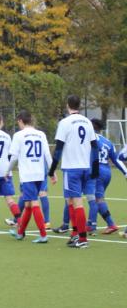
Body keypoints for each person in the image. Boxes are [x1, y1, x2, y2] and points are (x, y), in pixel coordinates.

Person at [48, 95, 99, 249]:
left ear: (67, 105)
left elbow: (58, 149)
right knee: (70, 201)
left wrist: (51, 170)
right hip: (85, 167)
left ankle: (83, 239)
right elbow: (95, 146)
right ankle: (75, 234)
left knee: (76, 202)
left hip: (71, 169)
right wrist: (95, 168)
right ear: (79, 105)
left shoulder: (64, 123)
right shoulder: (87, 122)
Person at [6, 110, 55, 243]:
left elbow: (14, 157)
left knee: (33, 202)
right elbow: (47, 155)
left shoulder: (19, 135)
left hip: (27, 174)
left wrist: (7, 171)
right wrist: (52, 172)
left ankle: (43, 235)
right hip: (40, 173)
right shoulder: (41, 134)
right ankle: (21, 233)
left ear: (21, 121)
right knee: (27, 204)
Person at [86, 118, 127, 235]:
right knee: (97, 198)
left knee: (95, 199)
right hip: (107, 172)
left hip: (96, 170)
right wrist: (125, 172)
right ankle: (92, 224)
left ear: (92, 126)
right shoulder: (108, 142)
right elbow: (116, 160)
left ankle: (101, 224)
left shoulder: (90, 139)